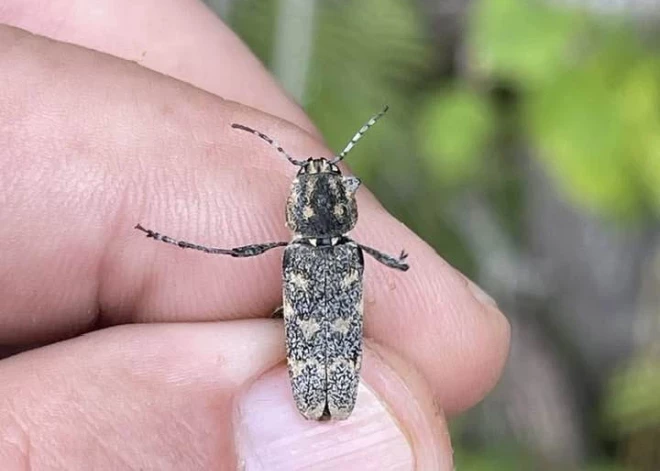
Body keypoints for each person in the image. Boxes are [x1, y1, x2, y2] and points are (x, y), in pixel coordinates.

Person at [0, 2, 510, 469]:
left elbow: (235, 250)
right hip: (325, 367)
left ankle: (180, 248)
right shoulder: (355, 252)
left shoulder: (308, 252)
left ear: (303, 208)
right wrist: (393, 260)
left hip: (317, 365)